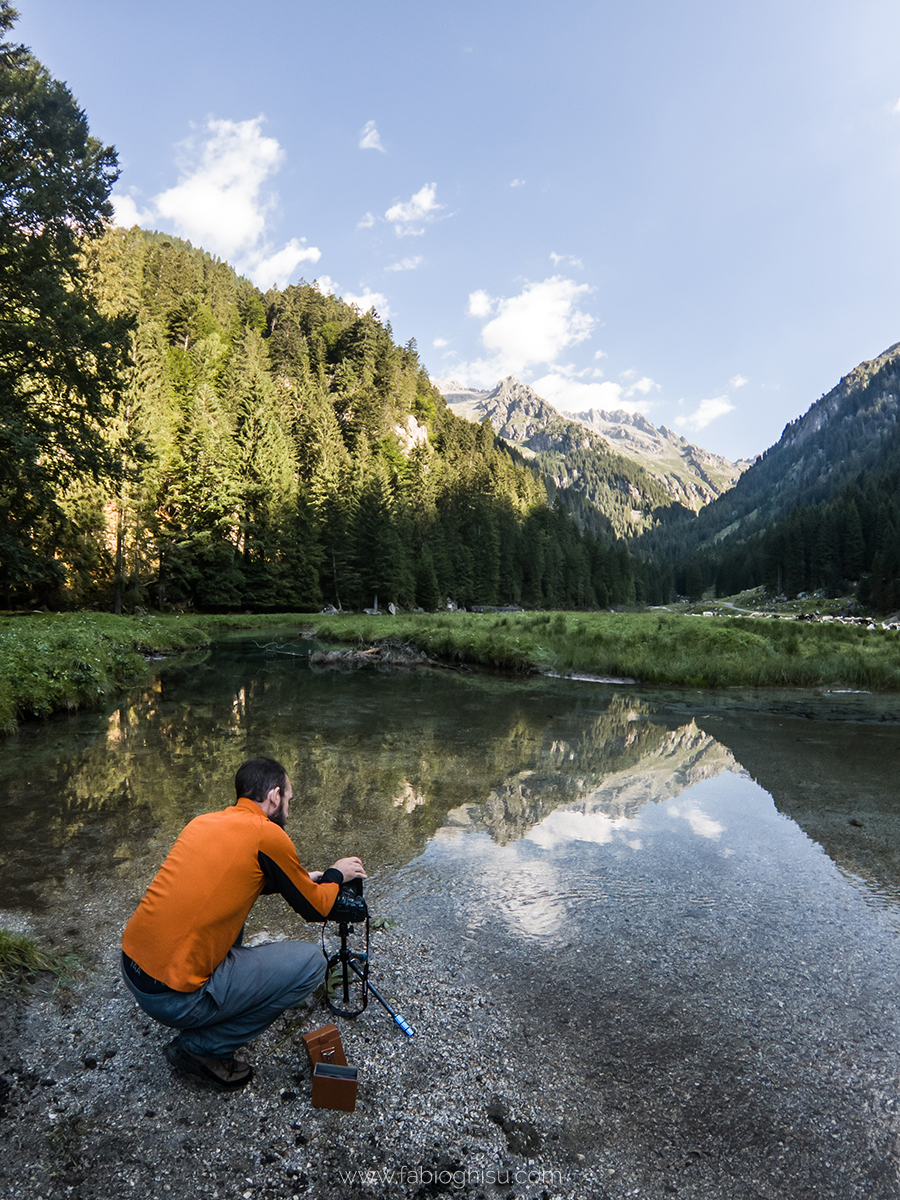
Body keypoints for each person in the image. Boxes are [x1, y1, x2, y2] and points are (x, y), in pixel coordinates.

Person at [121, 756, 366, 1091]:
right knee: (311, 963)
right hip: (170, 998)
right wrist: (337, 874)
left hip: (133, 968)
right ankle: (202, 1049)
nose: (288, 811)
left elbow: (233, 878)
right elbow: (315, 908)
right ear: (275, 796)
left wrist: (295, 878)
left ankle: (213, 1001)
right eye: (289, 801)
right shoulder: (268, 834)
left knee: (227, 909)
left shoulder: (204, 822)